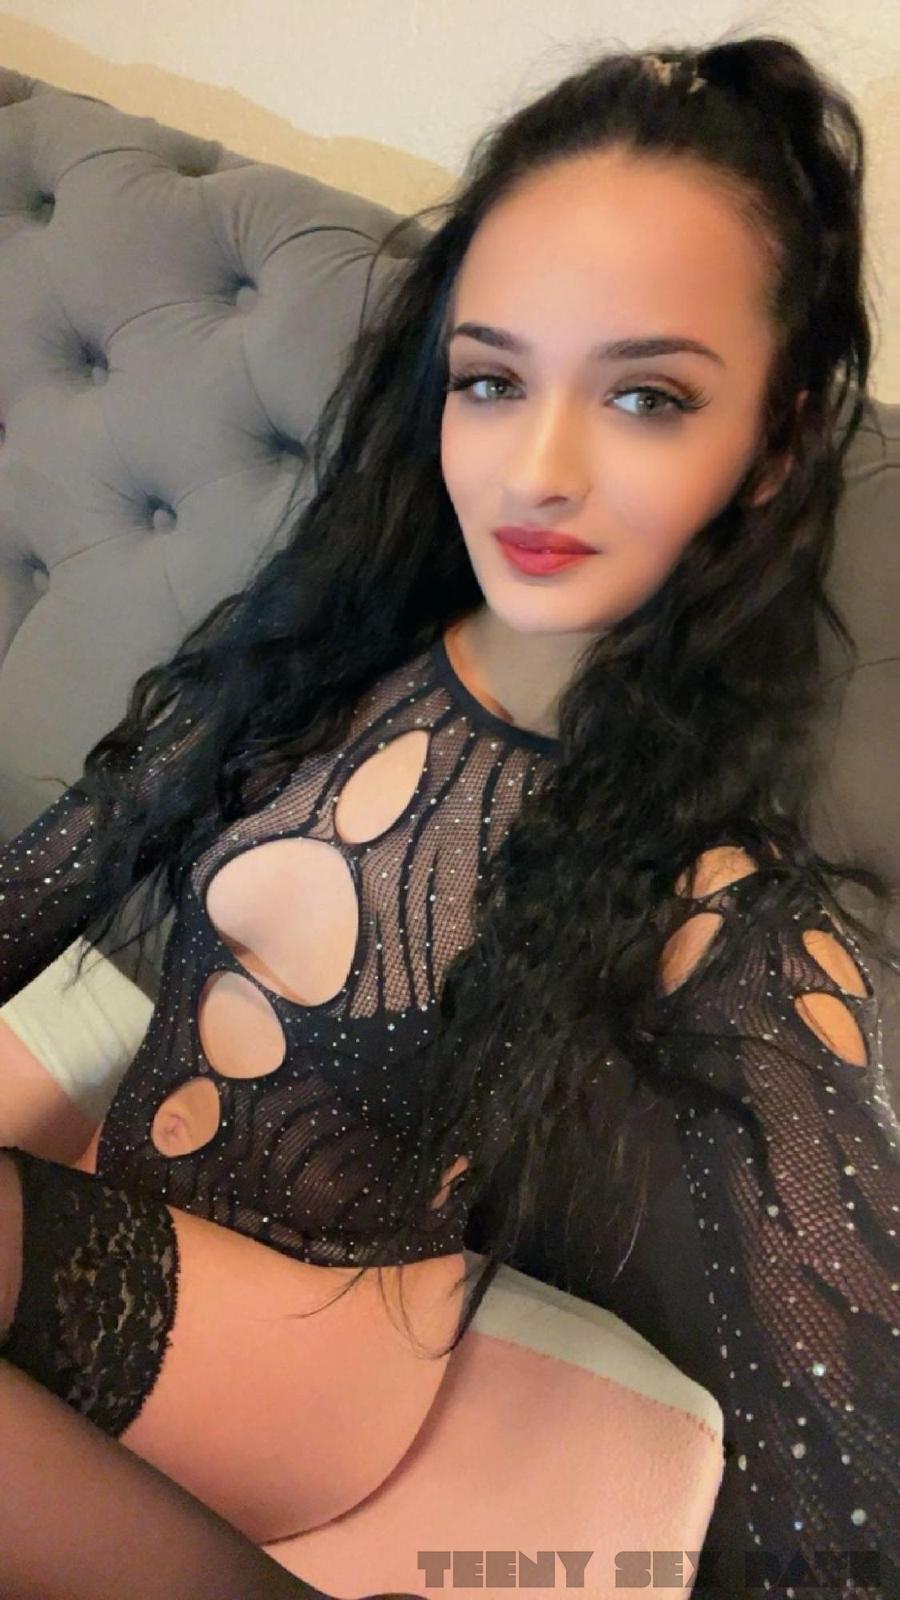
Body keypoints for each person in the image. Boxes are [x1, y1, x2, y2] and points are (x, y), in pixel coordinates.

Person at [1, 30, 898, 1600]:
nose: (537, 468)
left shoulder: (714, 896)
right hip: (123, 1219)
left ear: (776, 439)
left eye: (646, 396)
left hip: (310, 1377)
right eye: (493, 379)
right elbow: (65, 859)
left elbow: (841, 1452)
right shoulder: (320, 650)